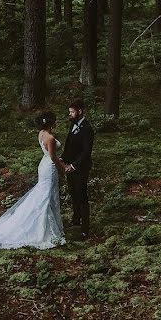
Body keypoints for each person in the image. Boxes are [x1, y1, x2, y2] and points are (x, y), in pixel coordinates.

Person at [0, 111, 67, 249]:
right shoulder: (50, 138)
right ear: (52, 123)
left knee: (43, 194)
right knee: (46, 196)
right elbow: (53, 156)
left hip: (44, 165)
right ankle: (43, 227)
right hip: (50, 167)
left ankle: (46, 224)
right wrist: (63, 168)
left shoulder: (41, 134)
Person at [61, 100, 94, 239]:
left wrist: (74, 165)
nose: (70, 114)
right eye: (69, 112)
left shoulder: (87, 129)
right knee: (73, 193)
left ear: (80, 111)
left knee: (82, 196)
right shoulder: (73, 125)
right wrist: (63, 159)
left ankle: (85, 229)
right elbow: (69, 145)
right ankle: (76, 220)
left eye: (72, 112)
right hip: (70, 166)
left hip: (81, 168)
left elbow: (86, 152)